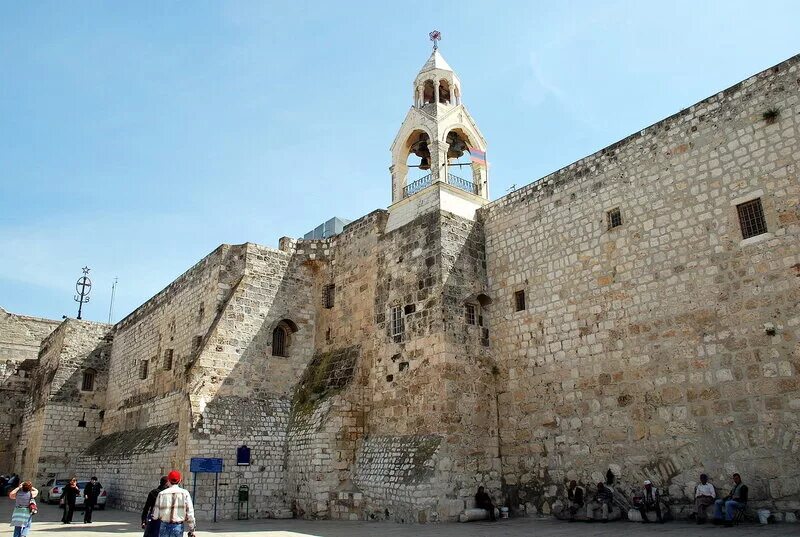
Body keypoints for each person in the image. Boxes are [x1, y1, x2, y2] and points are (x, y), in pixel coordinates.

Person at [151, 471, 196, 537]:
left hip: (164, 526)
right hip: (177, 526)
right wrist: (192, 528)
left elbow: (155, 514)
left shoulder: (161, 494)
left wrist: (153, 517)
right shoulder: (185, 493)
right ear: (180, 480)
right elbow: (190, 513)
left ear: (168, 480)